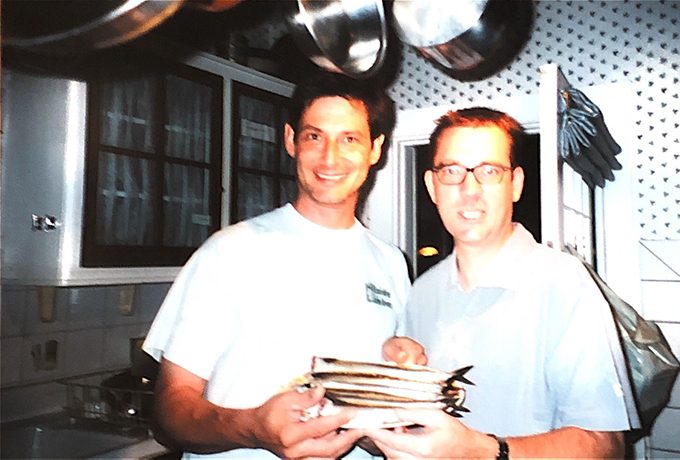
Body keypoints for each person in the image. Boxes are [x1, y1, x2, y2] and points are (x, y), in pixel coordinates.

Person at [142, 72, 410, 458]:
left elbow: (377, 403)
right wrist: (253, 428)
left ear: (375, 149)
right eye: (314, 136)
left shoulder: (391, 264)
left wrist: (375, 429)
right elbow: (168, 413)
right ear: (291, 141)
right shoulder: (228, 252)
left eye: (349, 139)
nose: (330, 157)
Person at [371, 107, 633, 458]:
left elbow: (606, 446)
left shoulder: (565, 283)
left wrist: (481, 450)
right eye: (452, 171)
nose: (470, 189)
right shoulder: (422, 292)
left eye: (490, 170)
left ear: (516, 184)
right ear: (433, 186)